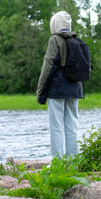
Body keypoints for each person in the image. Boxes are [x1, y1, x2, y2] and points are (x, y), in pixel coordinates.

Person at [37, 11, 83, 158]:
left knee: (56, 127)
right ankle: (73, 161)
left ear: (54, 24)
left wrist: (40, 91)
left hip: (57, 89)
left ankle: (57, 162)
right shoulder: (76, 40)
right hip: (75, 89)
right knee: (72, 126)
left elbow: (48, 66)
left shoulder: (55, 40)